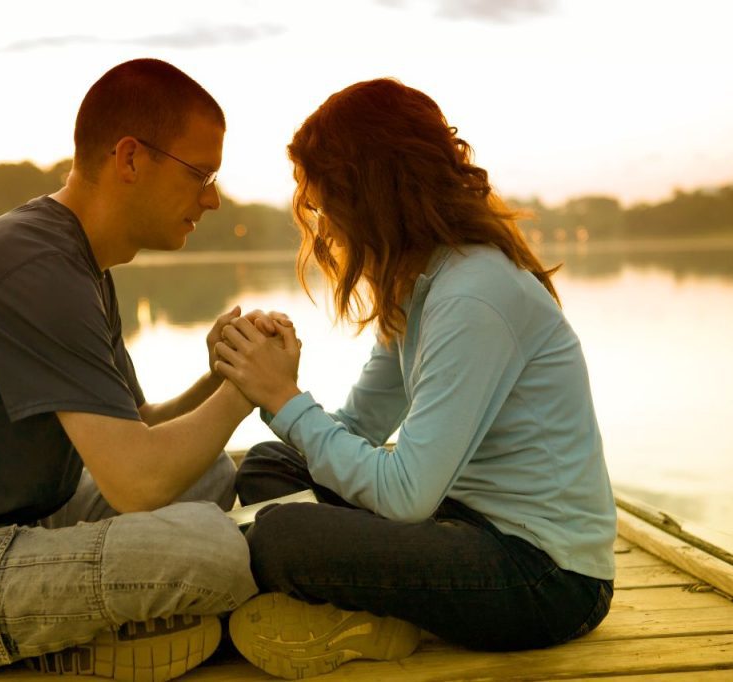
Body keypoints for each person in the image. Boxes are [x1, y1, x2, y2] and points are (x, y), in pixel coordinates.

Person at [0, 59, 260, 681]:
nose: (213, 198)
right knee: (216, 552)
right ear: (131, 159)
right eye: (201, 173)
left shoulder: (77, 262)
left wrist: (220, 377)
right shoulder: (36, 270)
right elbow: (136, 483)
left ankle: (106, 623)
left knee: (209, 474)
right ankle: (79, 644)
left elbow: (134, 427)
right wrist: (247, 392)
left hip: (8, 527)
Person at [213, 78, 617, 679]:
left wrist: (286, 398)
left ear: (371, 193)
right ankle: (362, 614)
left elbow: (405, 495)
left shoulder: (475, 294)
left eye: (325, 206)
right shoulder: (423, 285)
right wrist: (276, 388)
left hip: (547, 578)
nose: (323, 229)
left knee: (281, 538)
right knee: (273, 464)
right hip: (463, 521)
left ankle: (344, 610)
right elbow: (359, 428)